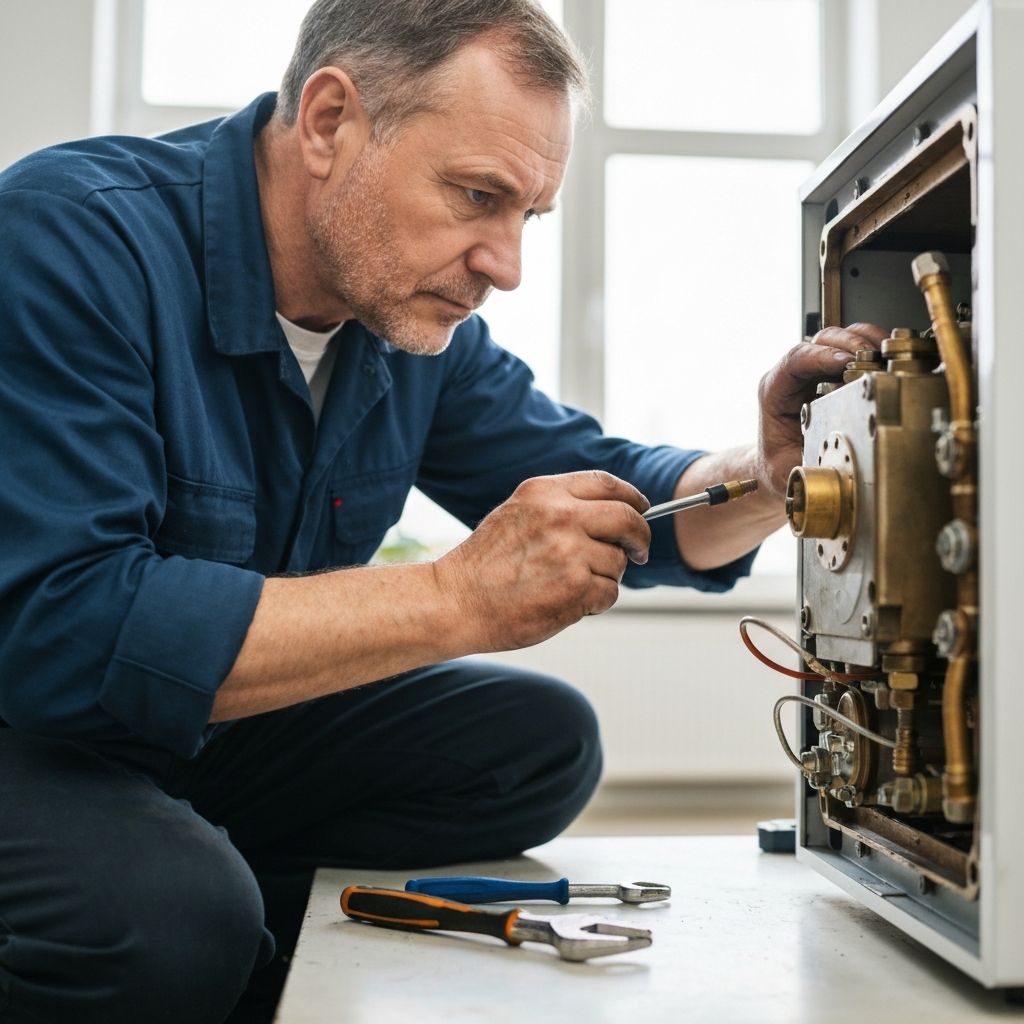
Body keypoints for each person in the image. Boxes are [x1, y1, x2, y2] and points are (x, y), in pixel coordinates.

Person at [0, 1, 885, 1021]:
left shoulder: (399, 320)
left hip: (186, 740)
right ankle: (182, 918)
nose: (505, 263)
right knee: (167, 915)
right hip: (33, 726)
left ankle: (223, 932)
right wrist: (455, 598)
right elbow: (64, 635)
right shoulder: (71, 238)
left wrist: (771, 474)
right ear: (331, 120)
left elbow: (620, 496)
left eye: (527, 217)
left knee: (537, 742)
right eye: (476, 195)